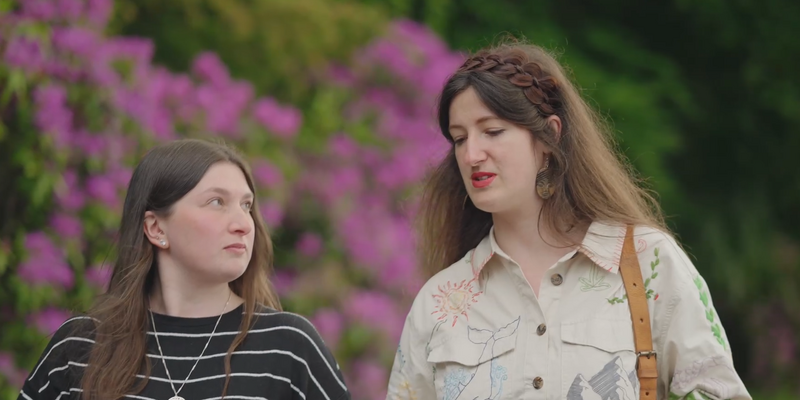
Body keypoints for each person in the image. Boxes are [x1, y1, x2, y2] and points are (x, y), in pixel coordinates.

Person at [386, 42, 751, 400]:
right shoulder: (437, 302)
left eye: (492, 131)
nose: (472, 154)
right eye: (459, 139)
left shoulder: (648, 263)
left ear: (550, 136)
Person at [19, 139, 351, 400]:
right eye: (217, 202)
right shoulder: (81, 346)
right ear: (156, 229)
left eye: (246, 205)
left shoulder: (289, 347)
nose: (243, 224)